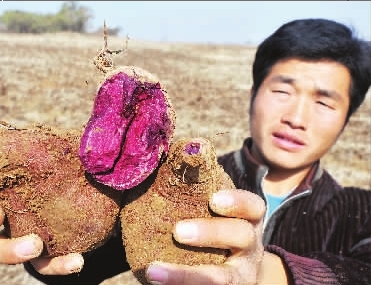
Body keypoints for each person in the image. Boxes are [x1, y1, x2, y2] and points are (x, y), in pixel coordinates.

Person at [0, 17, 370, 284]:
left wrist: (266, 272)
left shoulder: (360, 210)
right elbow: (88, 262)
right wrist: (36, 241)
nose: (296, 117)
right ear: (254, 93)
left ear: (347, 117)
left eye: (324, 102)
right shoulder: (161, 184)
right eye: (282, 91)